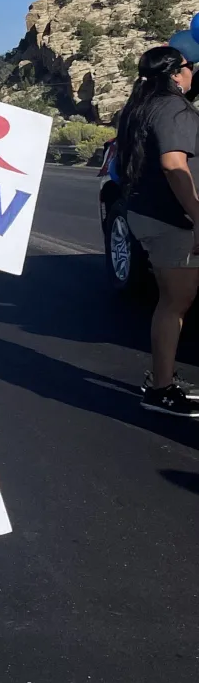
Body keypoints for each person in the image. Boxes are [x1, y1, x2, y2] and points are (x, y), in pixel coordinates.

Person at [114, 44, 199, 416]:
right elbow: (173, 164)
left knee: (172, 300)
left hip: (147, 212)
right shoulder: (174, 107)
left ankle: (163, 379)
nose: (192, 70)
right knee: (174, 303)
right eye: (189, 65)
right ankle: (161, 387)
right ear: (176, 73)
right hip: (172, 219)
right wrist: (198, 216)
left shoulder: (139, 106)